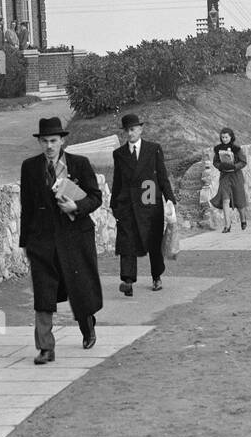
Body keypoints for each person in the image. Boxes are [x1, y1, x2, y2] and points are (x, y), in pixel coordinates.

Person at [19, 117, 104, 364]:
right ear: (39, 142)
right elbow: (27, 207)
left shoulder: (79, 164)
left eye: (53, 141)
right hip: (41, 240)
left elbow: (96, 197)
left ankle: (87, 325)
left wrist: (76, 206)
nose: (49, 146)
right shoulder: (30, 167)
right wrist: (25, 242)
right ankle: (46, 347)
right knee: (43, 293)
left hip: (75, 237)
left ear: (62, 140)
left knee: (80, 287)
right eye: (44, 141)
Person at [111, 112, 176, 295]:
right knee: (127, 243)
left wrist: (170, 199)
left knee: (153, 243)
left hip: (150, 205)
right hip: (127, 206)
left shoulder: (153, 149)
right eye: (127, 131)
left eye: (132, 129)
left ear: (140, 129)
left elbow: (162, 176)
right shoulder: (119, 154)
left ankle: (156, 277)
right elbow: (117, 181)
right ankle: (128, 281)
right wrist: (114, 205)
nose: (130, 133)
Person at [210, 127, 248, 232]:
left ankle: (243, 219)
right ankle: (227, 225)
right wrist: (220, 166)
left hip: (236, 176)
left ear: (231, 137)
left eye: (226, 137)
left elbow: (243, 162)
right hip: (224, 177)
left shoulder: (237, 149)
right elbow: (215, 162)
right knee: (225, 200)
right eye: (222, 137)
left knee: (239, 201)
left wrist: (235, 166)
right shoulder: (218, 149)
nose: (224, 139)